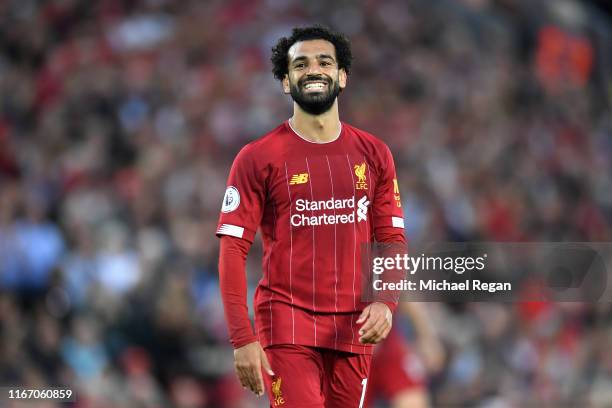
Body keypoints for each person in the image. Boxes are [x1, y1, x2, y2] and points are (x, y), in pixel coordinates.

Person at [216, 25, 406, 407]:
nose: (313, 70)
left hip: (354, 328)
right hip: (287, 324)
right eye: (300, 64)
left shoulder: (375, 154)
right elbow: (233, 250)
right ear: (286, 82)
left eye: (324, 61)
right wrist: (242, 338)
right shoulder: (257, 158)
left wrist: (386, 301)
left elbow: (391, 240)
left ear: (342, 76)